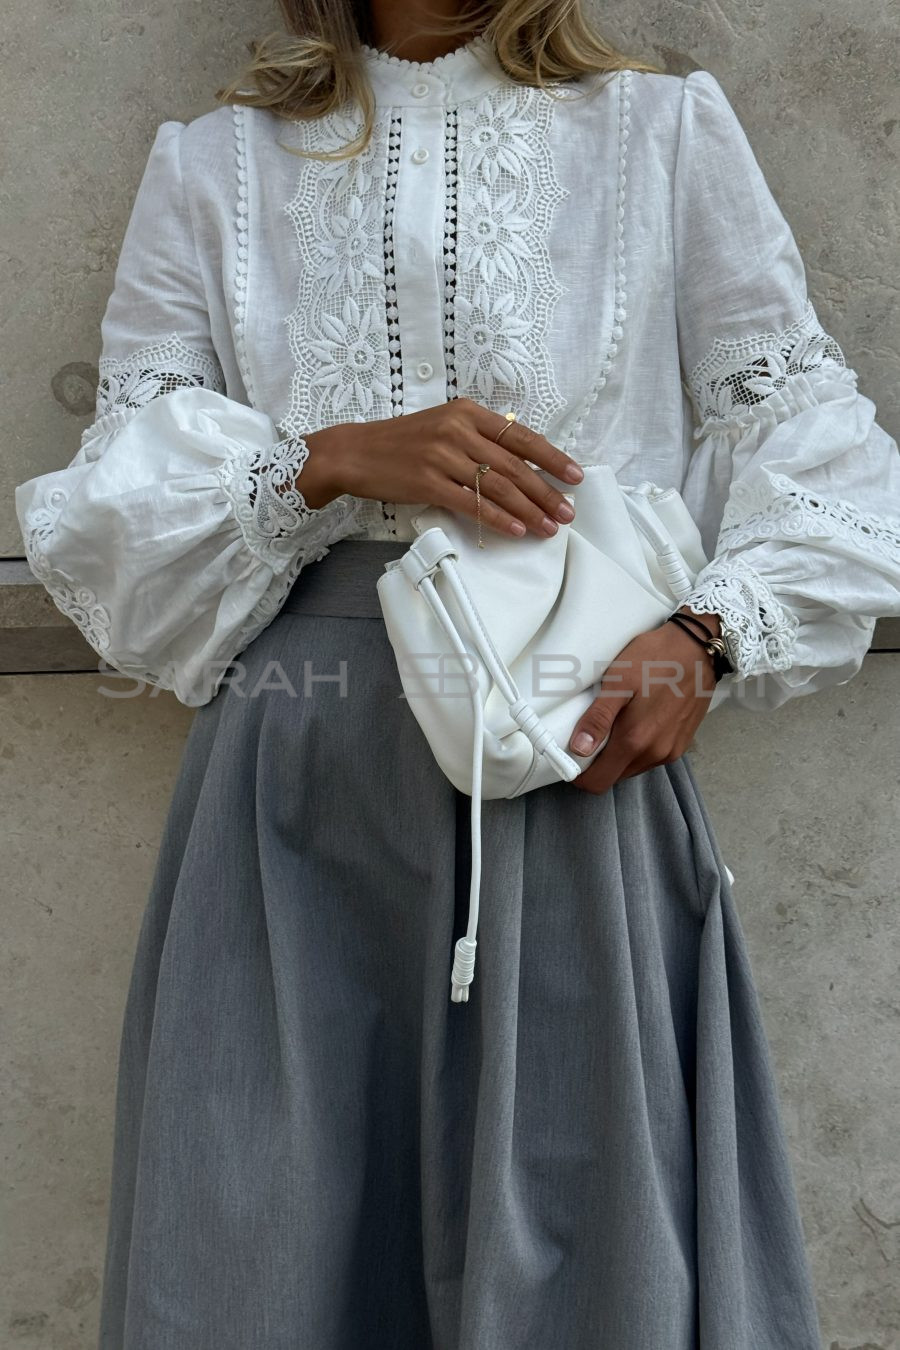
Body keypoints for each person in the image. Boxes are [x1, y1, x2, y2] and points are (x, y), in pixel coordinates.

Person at [15, 1, 900, 1346]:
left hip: (567, 753)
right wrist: (325, 458)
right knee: (263, 1251)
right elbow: (115, 538)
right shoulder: (215, 165)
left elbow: (823, 446)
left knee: (586, 1248)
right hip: (294, 792)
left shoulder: (660, 133)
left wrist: (712, 636)